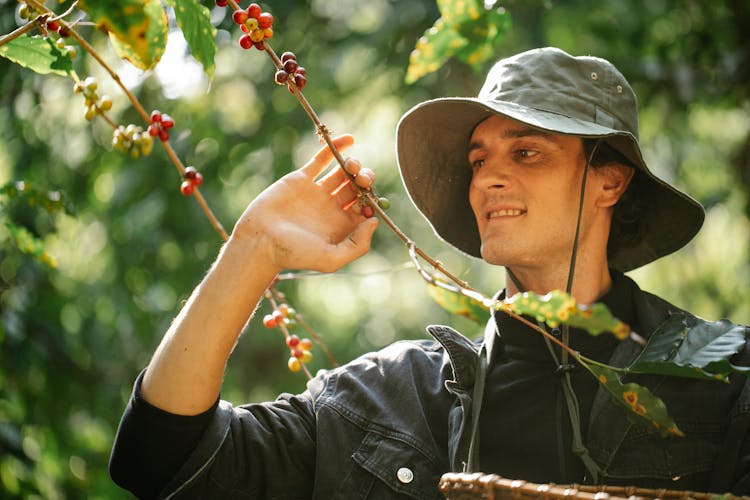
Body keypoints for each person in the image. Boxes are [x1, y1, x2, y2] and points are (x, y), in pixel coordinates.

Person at [109, 47, 750, 498]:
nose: (490, 176)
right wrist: (254, 248)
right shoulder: (388, 402)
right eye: (478, 160)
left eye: (527, 151)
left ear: (609, 180)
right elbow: (160, 459)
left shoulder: (722, 379)